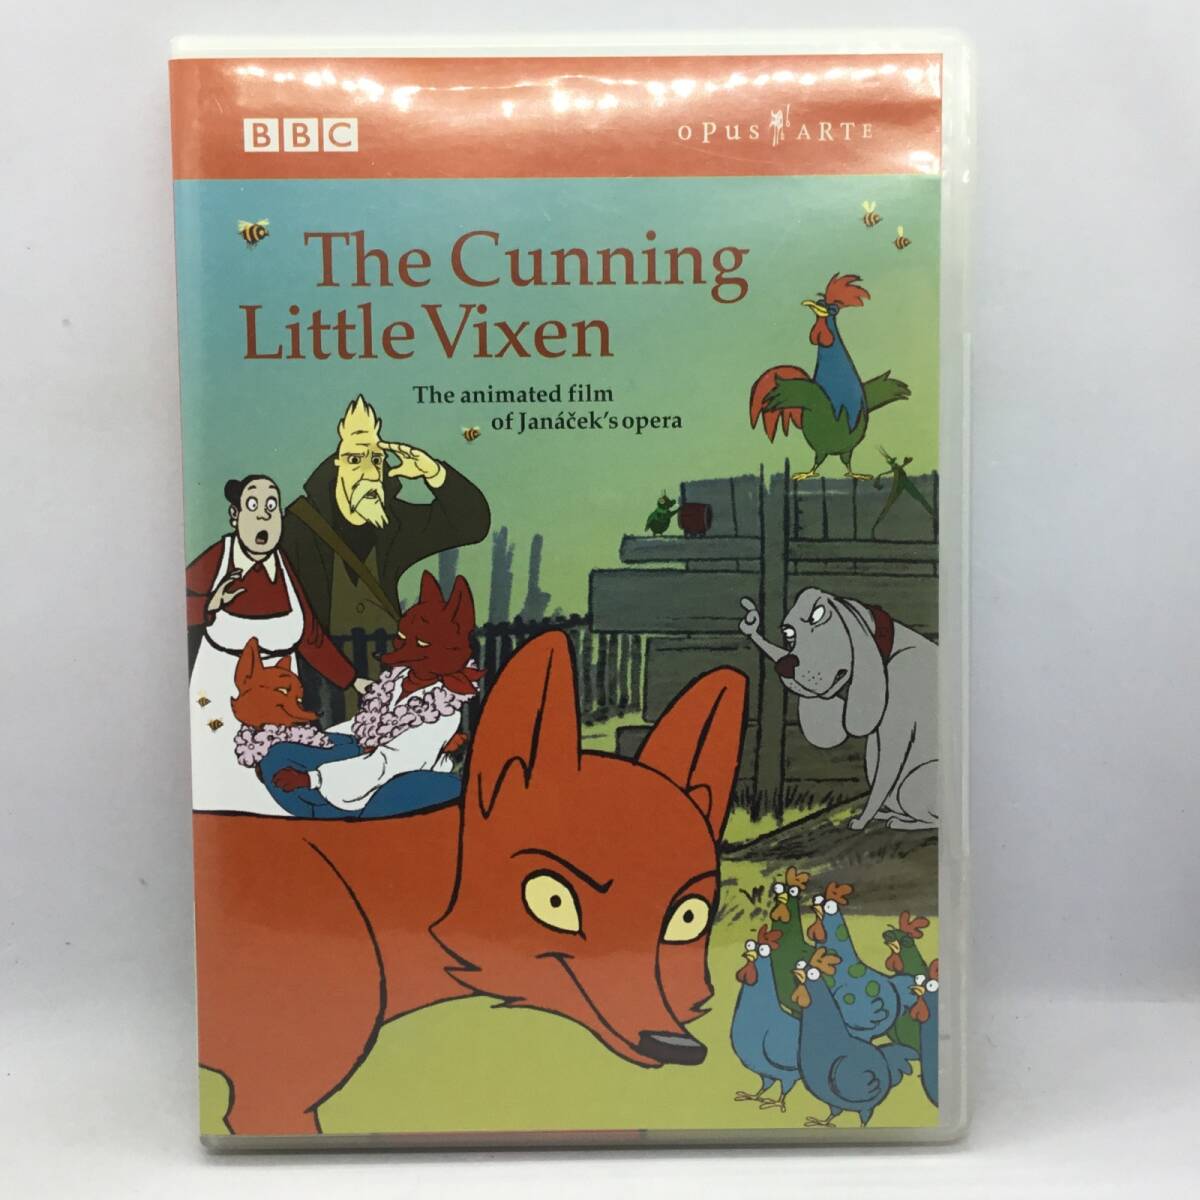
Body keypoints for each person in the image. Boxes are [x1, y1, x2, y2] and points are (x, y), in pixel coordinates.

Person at [280, 395, 491, 724]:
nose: (368, 472)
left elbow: (472, 525)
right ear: (337, 466)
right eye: (355, 459)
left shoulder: (395, 523)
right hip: (320, 686)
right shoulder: (297, 528)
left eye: (376, 460)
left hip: (389, 681)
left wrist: (433, 473)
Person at [185, 475, 369, 814]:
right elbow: (178, 606)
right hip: (222, 692)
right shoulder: (219, 558)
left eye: (271, 507)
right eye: (253, 506)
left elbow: (310, 636)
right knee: (223, 780)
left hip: (282, 693)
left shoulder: (284, 566)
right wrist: (211, 603)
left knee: (277, 773)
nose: (263, 515)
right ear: (235, 516)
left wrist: (353, 679)